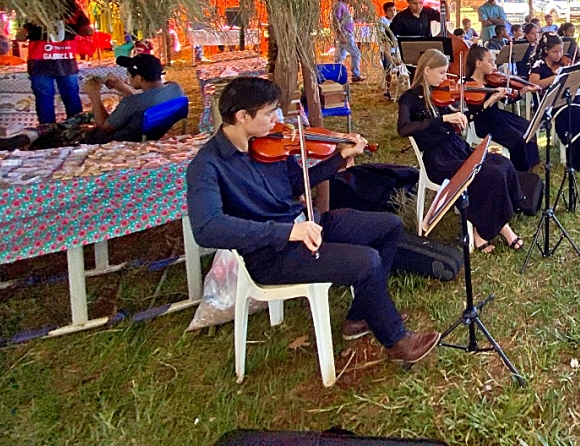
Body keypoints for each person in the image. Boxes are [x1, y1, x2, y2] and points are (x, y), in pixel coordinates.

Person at [185, 77, 439, 362]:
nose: (276, 119)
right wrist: (284, 233)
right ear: (242, 116)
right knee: (366, 261)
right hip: (273, 254)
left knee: (387, 226)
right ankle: (397, 342)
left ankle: (361, 316)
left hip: (307, 226)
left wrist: (338, 159)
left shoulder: (270, 144)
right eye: (269, 113)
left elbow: (297, 183)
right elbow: (207, 229)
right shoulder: (207, 166)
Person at [397, 49, 526, 253]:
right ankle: (495, 231)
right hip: (437, 158)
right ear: (427, 70)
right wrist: (443, 119)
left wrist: (456, 114)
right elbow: (403, 128)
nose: (444, 78)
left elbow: (453, 115)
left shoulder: (439, 92)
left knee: (502, 163)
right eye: (441, 73)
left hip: (456, 146)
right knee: (487, 174)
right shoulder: (409, 98)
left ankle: (491, 224)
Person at [0, 53, 187, 150]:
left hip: (111, 140)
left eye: (129, 75)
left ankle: (32, 136)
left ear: (139, 79)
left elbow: (103, 127)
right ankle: (36, 132)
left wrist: (94, 96)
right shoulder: (174, 88)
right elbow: (142, 102)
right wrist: (121, 88)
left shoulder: (131, 104)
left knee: (67, 128)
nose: (128, 78)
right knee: (82, 116)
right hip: (143, 130)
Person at [527, 36, 580, 168]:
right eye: (555, 52)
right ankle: (578, 155)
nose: (559, 55)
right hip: (550, 102)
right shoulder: (539, 65)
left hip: (569, 98)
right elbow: (533, 84)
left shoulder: (564, 63)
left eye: (561, 51)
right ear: (546, 50)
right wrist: (554, 78)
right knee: (577, 114)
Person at [464, 46, 540, 172]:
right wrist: (492, 98)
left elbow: (508, 100)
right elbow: (474, 113)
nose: (494, 65)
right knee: (517, 140)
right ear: (478, 63)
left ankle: (532, 164)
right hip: (485, 123)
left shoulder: (490, 80)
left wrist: (523, 90)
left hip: (498, 116)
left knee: (528, 127)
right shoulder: (469, 85)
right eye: (490, 61)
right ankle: (520, 171)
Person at [23, 0, 91, 126]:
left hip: (56, 63)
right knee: (54, 98)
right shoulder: (33, 7)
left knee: (62, 98)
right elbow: (21, 35)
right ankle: (57, 131)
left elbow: (86, 30)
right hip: (50, 63)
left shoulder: (72, 9)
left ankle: (70, 130)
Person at [331, 0, 363, 83]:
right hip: (345, 33)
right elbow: (335, 20)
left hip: (347, 32)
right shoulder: (339, 5)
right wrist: (340, 34)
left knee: (340, 55)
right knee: (356, 53)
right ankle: (355, 74)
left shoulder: (345, 6)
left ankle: (336, 74)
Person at [379, 2, 401, 101]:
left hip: (397, 50)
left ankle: (398, 89)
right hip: (387, 50)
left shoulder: (399, 21)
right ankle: (387, 90)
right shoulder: (382, 22)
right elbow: (383, 36)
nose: (393, 13)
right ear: (386, 12)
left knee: (400, 69)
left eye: (394, 10)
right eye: (390, 11)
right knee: (387, 69)